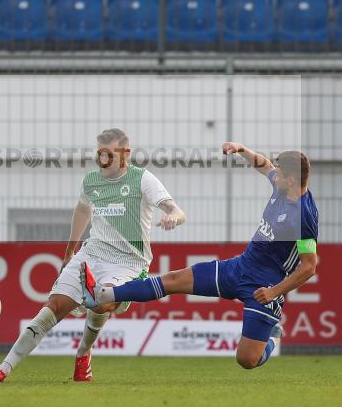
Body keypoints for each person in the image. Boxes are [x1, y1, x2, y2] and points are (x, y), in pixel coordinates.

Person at [83, 145, 319, 370]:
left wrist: (274, 292)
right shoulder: (282, 185)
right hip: (240, 267)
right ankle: (102, 294)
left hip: (265, 286)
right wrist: (241, 150)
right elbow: (264, 165)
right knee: (173, 280)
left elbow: (309, 267)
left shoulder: (303, 216)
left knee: (247, 360)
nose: (273, 175)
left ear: (291, 180)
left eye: (279, 174)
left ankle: (272, 337)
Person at [0, 128, 186, 383]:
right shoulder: (91, 180)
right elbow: (82, 211)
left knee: (102, 303)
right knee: (52, 309)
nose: (103, 160)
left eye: (109, 155)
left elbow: (176, 209)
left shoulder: (143, 179)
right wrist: (70, 251)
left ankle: (83, 354)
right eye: (100, 154)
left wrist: (172, 217)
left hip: (128, 263)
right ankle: (2, 370)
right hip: (92, 253)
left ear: (126, 154)